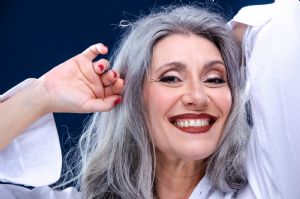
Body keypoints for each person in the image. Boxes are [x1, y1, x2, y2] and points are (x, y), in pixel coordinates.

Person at [0, 0, 300, 198]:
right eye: (171, 78)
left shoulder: (272, 187)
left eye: (215, 79)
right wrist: (41, 96)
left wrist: (235, 41)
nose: (197, 96)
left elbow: (289, 21)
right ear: (132, 97)